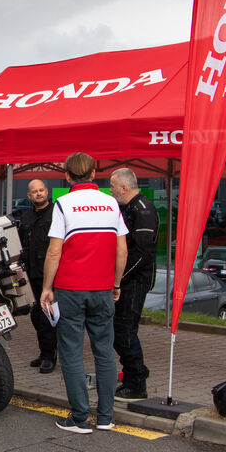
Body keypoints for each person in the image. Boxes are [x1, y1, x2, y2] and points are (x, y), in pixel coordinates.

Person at [40, 153, 127, 434]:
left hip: (70, 288)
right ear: (93, 174)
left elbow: (54, 252)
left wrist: (47, 288)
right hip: (102, 287)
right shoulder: (111, 203)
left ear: (67, 176)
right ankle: (105, 417)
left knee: (72, 353)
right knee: (105, 352)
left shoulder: (63, 204)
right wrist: (116, 284)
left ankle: (80, 418)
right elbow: (121, 250)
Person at [109, 167, 159, 402]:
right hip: (127, 279)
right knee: (119, 330)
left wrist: (119, 279)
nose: (111, 191)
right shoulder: (127, 208)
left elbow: (142, 253)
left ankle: (137, 383)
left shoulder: (143, 210)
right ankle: (132, 376)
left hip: (135, 280)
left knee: (125, 330)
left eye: (112, 187)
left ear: (124, 187)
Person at [17, 179, 58, 374]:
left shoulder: (56, 214)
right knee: (36, 315)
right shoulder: (26, 217)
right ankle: (45, 352)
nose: (39, 194)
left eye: (41, 190)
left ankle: (49, 356)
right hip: (30, 272)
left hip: (49, 273)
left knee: (47, 315)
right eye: (35, 191)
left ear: (47, 192)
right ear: (29, 195)